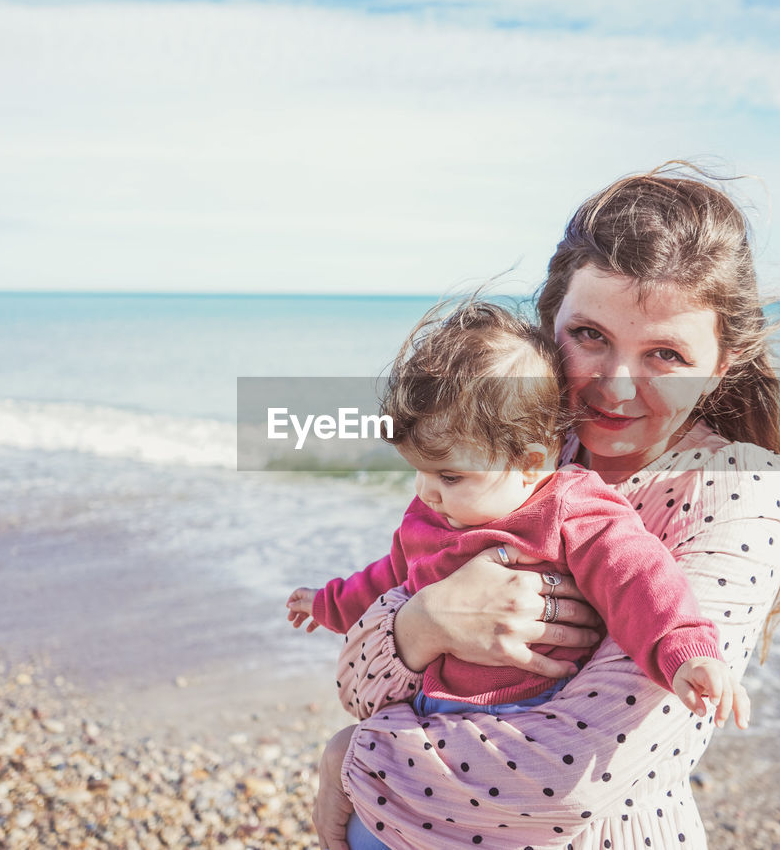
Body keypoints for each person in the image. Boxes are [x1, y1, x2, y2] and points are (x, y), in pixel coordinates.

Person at [311, 162, 780, 850]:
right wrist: (430, 619)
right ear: (551, 326)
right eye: (591, 336)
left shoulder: (739, 488)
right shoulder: (507, 445)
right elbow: (356, 679)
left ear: (721, 363)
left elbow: (571, 780)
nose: (617, 387)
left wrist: (355, 757)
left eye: (665, 352)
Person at [287, 301, 748, 847]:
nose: (426, 490)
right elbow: (387, 579)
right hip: (425, 720)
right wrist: (327, 603)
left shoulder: (569, 507)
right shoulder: (436, 512)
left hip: (520, 723)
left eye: (450, 474)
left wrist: (685, 649)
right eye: (419, 471)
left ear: (531, 463)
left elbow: (637, 579)